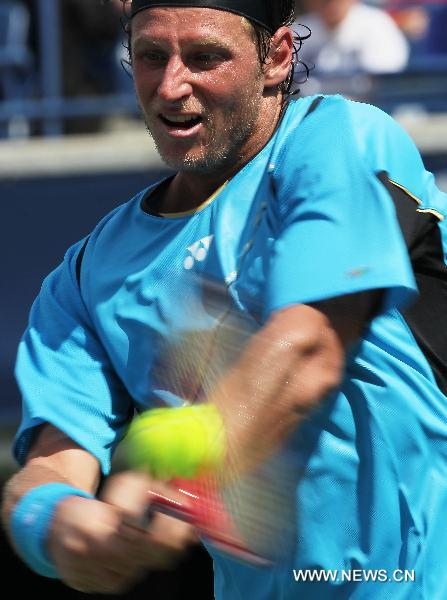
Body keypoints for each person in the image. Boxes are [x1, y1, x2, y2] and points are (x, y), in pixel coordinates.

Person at [2, 0, 447, 598]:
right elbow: (52, 463)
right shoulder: (84, 274)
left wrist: (185, 471)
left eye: (206, 58)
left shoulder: (340, 138)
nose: (171, 86)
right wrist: (56, 523)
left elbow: (308, 347)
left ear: (278, 57)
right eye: (151, 57)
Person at [295, 0, 409, 74]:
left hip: (364, 106)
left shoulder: (376, 23)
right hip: (314, 107)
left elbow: (384, 78)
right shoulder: (300, 29)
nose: (330, 4)